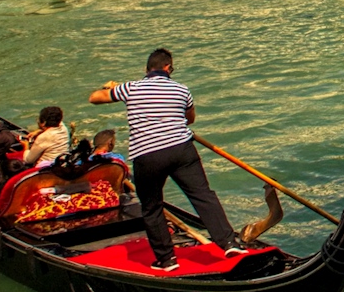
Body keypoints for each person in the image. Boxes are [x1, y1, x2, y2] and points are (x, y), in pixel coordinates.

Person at [90, 48, 242, 271]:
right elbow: (189, 119)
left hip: (148, 154)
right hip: (182, 149)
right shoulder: (182, 89)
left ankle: (166, 260)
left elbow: (94, 98)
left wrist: (109, 88)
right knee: (203, 196)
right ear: (168, 68)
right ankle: (229, 242)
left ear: (146, 69)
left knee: (152, 207)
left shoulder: (131, 88)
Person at [91, 128, 136, 197]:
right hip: (114, 193)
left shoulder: (84, 160)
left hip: (92, 191)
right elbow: (126, 174)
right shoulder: (116, 159)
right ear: (110, 143)